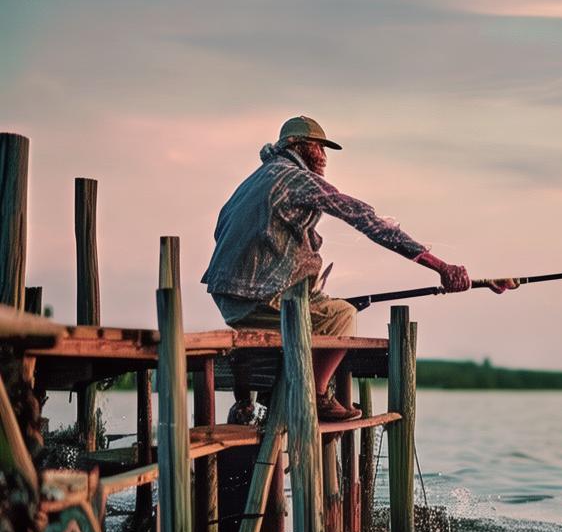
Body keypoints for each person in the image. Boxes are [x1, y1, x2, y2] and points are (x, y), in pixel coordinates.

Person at [202, 115, 515, 421]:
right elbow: (366, 220)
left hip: (232, 299)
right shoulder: (297, 178)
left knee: (328, 311)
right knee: (342, 316)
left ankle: (280, 391)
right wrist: (441, 268)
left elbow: (225, 232)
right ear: (299, 145)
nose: (324, 156)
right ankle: (317, 396)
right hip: (260, 299)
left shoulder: (254, 181)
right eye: (319, 147)